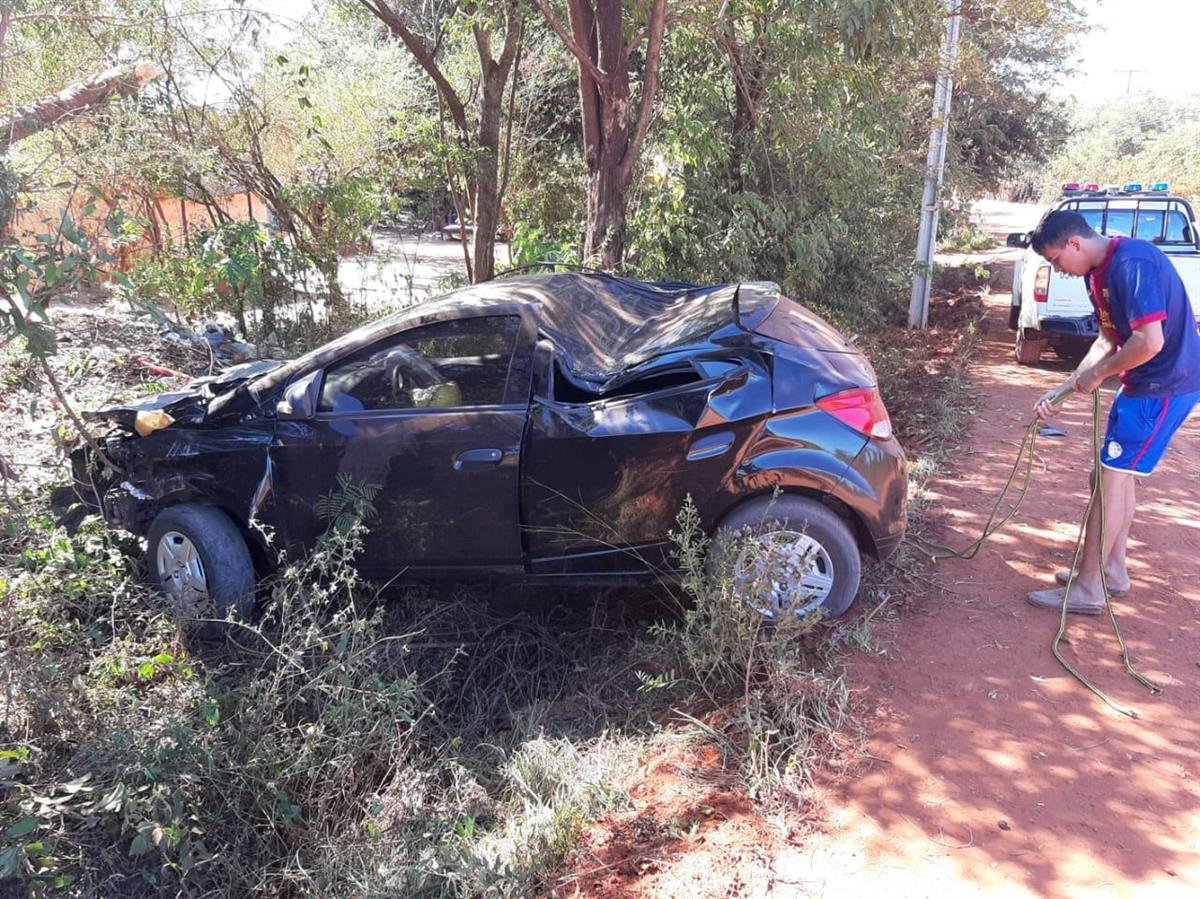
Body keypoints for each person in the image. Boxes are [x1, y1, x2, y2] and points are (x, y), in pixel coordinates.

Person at [1026, 210, 1200, 614]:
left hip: (1163, 388)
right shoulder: (1095, 274)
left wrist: (1101, 375)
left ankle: (1089, 588)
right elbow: (1108, 339)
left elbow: (1149, 341)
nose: (1059, 270)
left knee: (1110, 484)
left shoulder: (1132, 263)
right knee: (1105, 478)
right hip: (1142, 385)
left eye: (1056, 260)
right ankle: (1114, 571)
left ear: (1075, 244)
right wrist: (1065, 388)